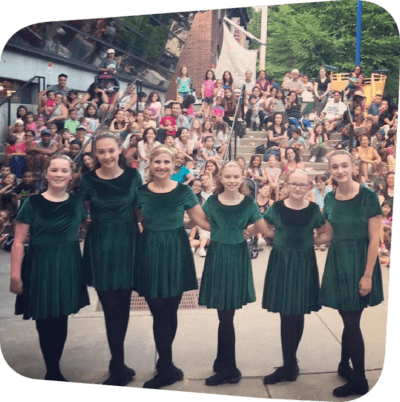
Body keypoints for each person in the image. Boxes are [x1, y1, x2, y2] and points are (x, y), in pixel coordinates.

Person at [135, 145, 210, 389]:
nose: (162, 166)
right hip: (151, 251)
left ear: (173, 165)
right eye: (157, 162)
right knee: (158, 310)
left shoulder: (183, 192)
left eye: (167, 162)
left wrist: (233, 223)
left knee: (171, 309)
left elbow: (200, 220)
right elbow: (135, 219)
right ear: (151, 164)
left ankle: (166, 364)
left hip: (176, 251)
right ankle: (167, 367)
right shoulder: (140, 192)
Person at [10, 155, 89, 382]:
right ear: (46, 173)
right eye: (54, 170)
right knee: (44, 319)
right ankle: (52, 370)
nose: (59, 174)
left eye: (64, 170)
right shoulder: (31, 203)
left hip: (68, 265)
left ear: (71, 174)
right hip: (40, 265)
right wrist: (15, 275)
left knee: (61, 317)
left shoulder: (76, 203)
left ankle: (55, 367)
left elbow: (91, 222)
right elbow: (17, 241)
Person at [315, 150, 383, 397]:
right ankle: (345, 365)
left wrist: (367, 275)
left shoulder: (369, 197)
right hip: (337, 262)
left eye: (344, 165)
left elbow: (375, 239)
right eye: (335, 167)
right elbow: (328, 235)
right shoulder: (330, 199)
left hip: (360, 263)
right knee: (347, 316)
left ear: (353, 166)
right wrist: (301, 237)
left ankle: (360, 381)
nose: (340, 170)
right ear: (330, 170)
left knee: (352, 320)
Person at [199, 161, 272, 386]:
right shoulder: (212, 202)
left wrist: (251, 229)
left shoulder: (248, 204)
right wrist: (220, 229)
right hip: (218, 256)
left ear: (242, 179)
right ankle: (223, 360)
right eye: (227, 177)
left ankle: (230, 369)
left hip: (237, 258)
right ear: (221, 179)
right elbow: (200, 220)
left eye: (235, 177)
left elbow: (265, 227)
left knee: (227, 315)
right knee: (223, 313)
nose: (231, 181)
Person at [80, 133, 142, 386]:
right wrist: (84, 220)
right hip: (101, 246)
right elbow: (82, 211)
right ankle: (118, 364)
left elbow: (139, 212)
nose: (106, 156)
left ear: (120, 151)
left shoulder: (133, 176)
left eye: (111, 151)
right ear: (95, 155)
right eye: (101, 152)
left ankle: (118, 362)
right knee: (110, 308)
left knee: (123, 306)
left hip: (127, 244)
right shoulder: (87, 179)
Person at [253, 169, 325, 385]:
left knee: (298, 311)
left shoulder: (313, 210)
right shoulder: (277, 208)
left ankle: (290, 364)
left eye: (302, 185)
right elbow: (264, 227)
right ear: (285, 185)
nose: (297, 188)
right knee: (286, 313)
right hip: (282, 262)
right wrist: (279, 236)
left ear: (308, 187)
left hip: (304, 262)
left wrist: (308, 241)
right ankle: (289, 364)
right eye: (293, 183)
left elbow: (323, 232)